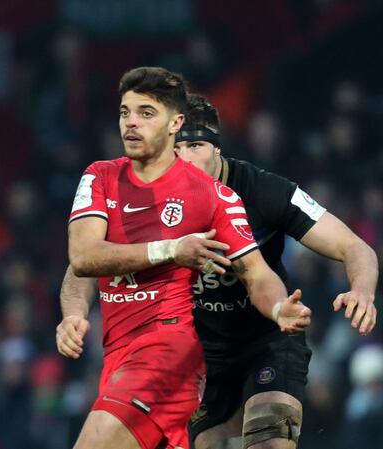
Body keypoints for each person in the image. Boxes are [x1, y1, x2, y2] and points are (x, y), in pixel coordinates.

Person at [60, 67, 311, 449]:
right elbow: (83, 259)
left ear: (176, 123)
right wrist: (74, 313)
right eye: (126, 112)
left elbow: (256, 273)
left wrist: (278, 308)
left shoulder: (213, 196)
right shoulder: (100, 176)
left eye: (147, 113)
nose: (131, 123)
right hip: (117, 356)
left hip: (168, 351)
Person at [174, 94, 377, 449]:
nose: (185, 159)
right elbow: (89, 257)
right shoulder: (154, 201)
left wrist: (361, 290)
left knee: (269, 440)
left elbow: (354, 246)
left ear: (218, 146)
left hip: (269, 339)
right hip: (203, 359)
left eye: (196, 145)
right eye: (175, 149)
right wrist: (74, 314)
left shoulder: (265, 190)